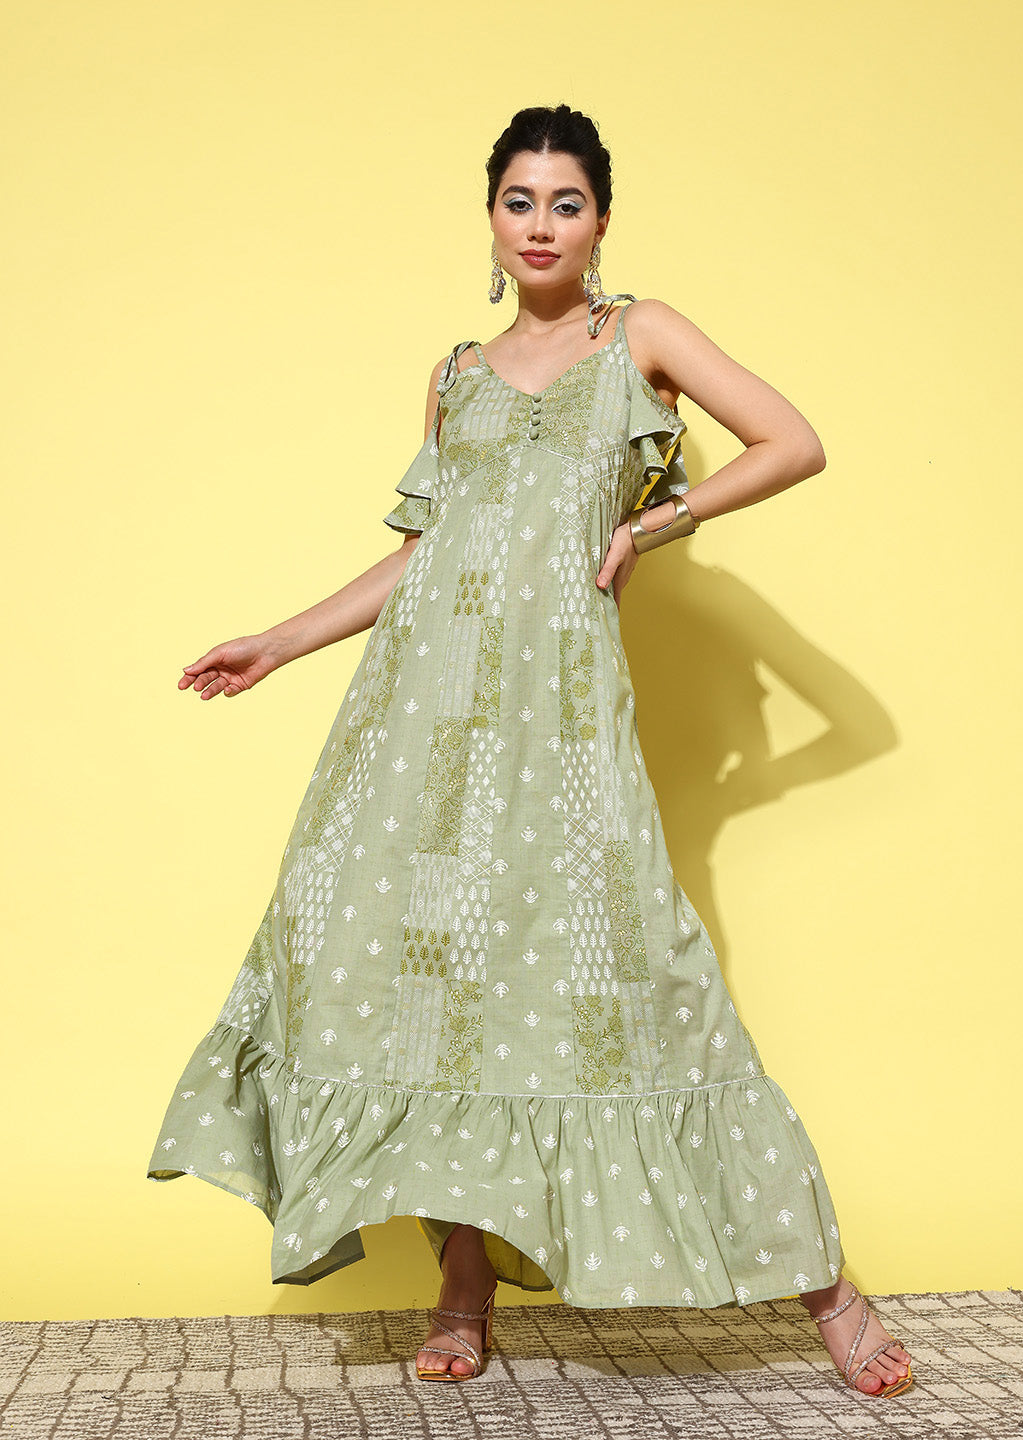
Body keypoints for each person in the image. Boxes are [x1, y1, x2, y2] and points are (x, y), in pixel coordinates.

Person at [146, 104, 913, 1399]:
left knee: (646, 980)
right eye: (519, 201)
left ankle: (830, 1292)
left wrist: (655, 523)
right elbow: (425, 553)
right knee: (449, 995)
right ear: (491, 220)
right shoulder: (456, 373)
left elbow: (795, 442)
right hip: (422, 726)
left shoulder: (640, 335)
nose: (542, 225)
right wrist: (280, 639)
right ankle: (463, 1287)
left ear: (601, 221)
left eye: (567, 202)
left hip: (559, 721)